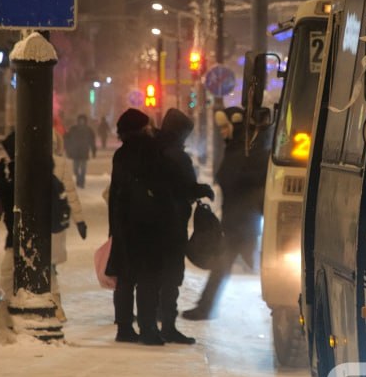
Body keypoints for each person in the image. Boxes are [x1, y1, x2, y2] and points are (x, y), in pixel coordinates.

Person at [183, 106, 268, 320]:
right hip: (237, 219)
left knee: (223, 267)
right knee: (226, 268)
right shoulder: (237, 147)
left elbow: (234, 177)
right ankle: (205, 307)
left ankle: (205, 307)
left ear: (235, 124)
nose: (221, 132)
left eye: (224, 127)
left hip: (241, 221)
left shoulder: (246, 150)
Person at [155, 108, 215, 344]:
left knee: (155, 273)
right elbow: (184, 187)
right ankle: (168, 325)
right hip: (172, 223)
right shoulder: (177, 156)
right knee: (171, 275)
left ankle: (152, 320)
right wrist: (204, 190)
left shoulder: (153, 149)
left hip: (151, 222)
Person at [108, 109, 168, 345]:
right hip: (148, 224)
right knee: (148, 278)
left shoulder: (120, 155)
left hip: (124, 223)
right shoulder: (151, 151)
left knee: (125, 278)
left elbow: (115, 193)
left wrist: (113, 226)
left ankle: (124, 327)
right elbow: (162, 186)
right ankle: (148, 328)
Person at [52, 131, 88, 322]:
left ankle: (54, 305)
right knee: (50, 266)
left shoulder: (27, 160)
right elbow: (71, 193)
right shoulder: (60, 163)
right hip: (55, 223)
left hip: (35, 222)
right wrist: (79, 220)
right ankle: (57, 306)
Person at [64, 114, 97, 188]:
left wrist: (94, 151)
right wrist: (67, 148)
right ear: (78, 120)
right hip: (75, 152)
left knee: (83, 169)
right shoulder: (73, 129)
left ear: (85, 121)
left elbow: (92, 142)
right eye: (80, 120)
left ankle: (82, 182)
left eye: (83, 120)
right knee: (75, 169)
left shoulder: (89, 130)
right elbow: (67, 139)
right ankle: (79, 179)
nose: (81, 121)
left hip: (84, 152)